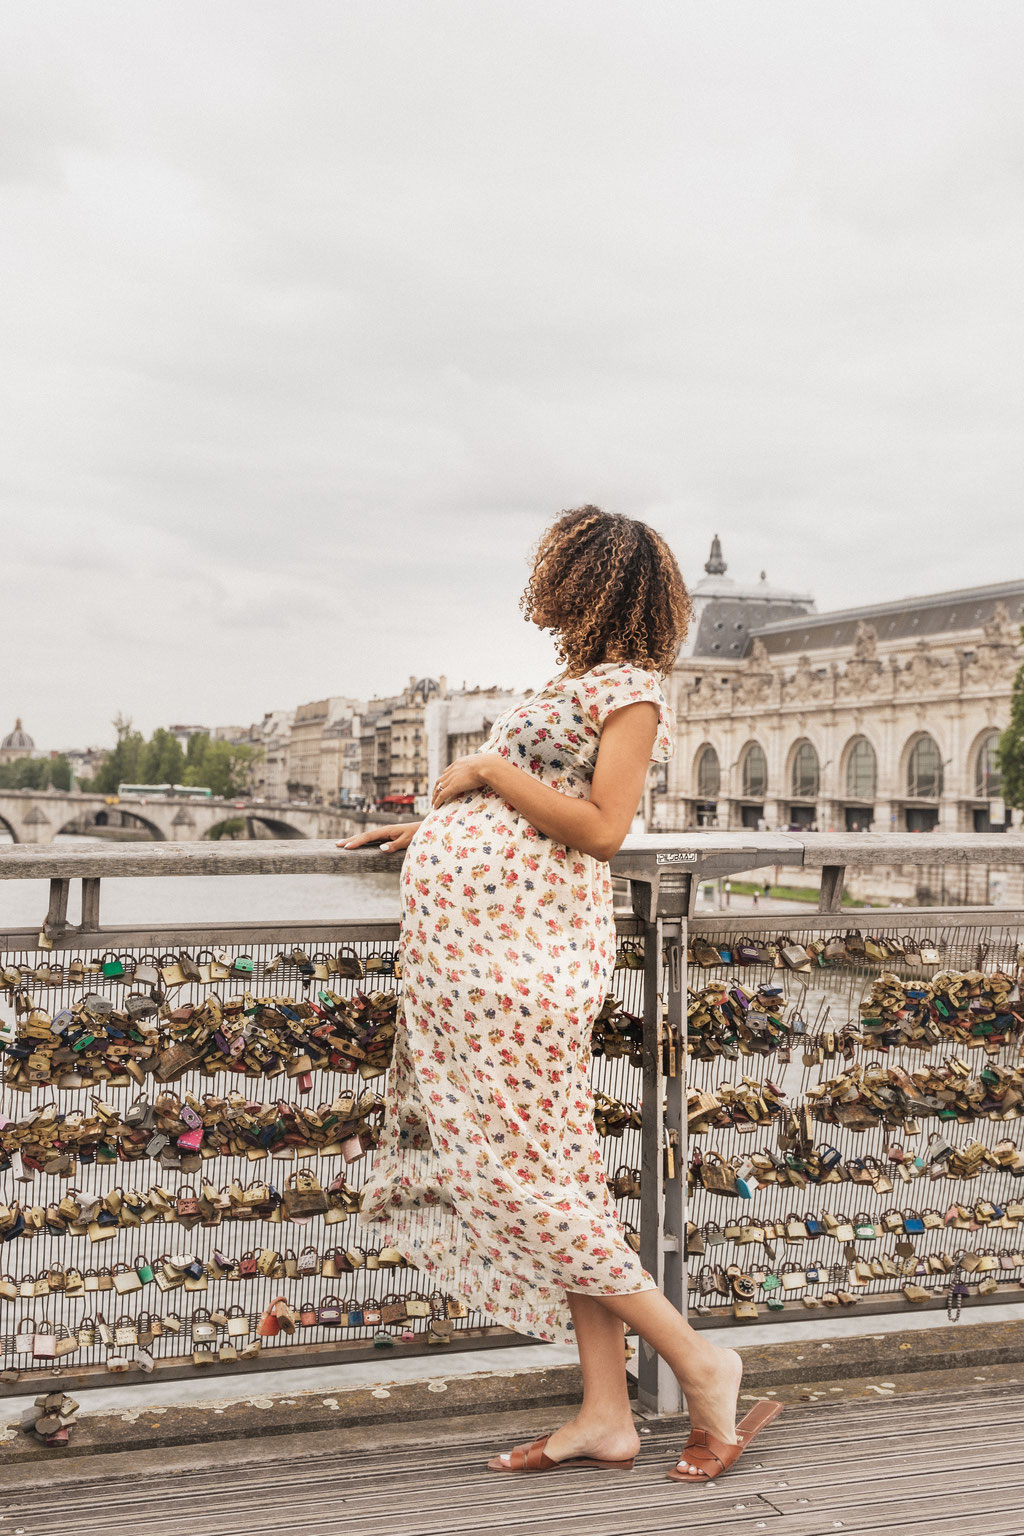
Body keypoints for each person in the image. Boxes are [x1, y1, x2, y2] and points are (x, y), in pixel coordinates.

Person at [338, 506, 781, 1482]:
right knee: (561, 1178)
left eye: (562, 577)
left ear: (586, 585)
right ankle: (604, 1413)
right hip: (490, 956)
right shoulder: (578, 683)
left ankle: (703, 1364)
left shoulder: (631, 693)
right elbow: (527, 816)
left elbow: (600, 827)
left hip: (523, 967)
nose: (546, 594)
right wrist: (431, 832)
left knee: (518, 1181)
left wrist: (485, 768)